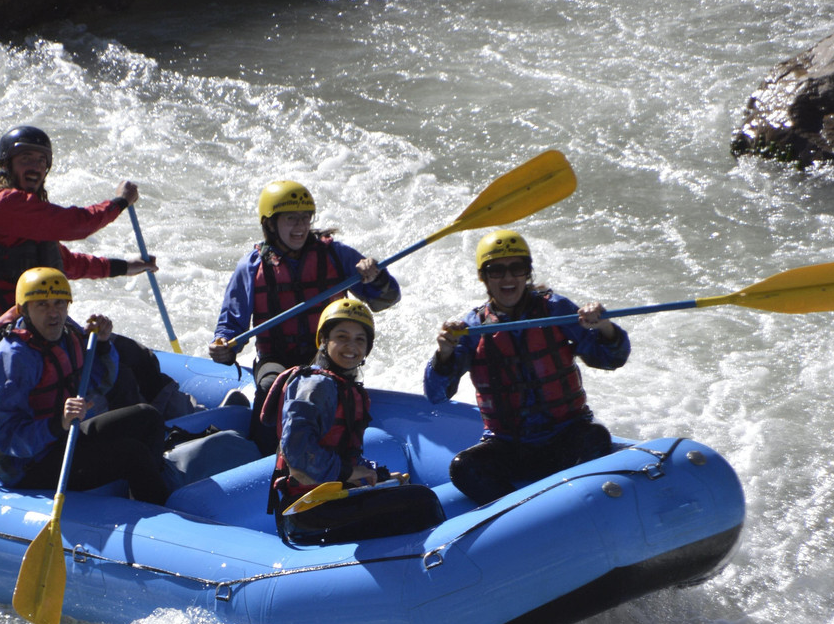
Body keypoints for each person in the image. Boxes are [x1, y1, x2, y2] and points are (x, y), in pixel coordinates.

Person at [0, 124, 202, 420]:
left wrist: (125, 267)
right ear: (6, 165)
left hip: (33, 317)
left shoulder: (26, 217)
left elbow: (65, 262)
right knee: (106, 367)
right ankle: (155, 424)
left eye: (42, 160)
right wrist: (119, 203)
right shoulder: (2, 204)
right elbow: (75, 224)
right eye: (26, 158)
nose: (35, 167)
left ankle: (181, 417)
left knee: (133, 355)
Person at [424, 229, 631, 505]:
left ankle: (578, 503)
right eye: (496, 270)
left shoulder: (555, 309)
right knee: (463, 467)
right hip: (511, 447)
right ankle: (522, 512)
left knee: (596, 436)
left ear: (527, 273)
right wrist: (444, 353)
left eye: (516, 268)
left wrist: (604, 326)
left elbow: (610, 359)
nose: (508, 278)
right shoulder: (472, 328)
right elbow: (436, 394)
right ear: (484, 277)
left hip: (566, 435)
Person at [209, 180, 402, 454]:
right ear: (271, 224)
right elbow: (231, 325)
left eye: (305, 217)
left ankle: (339, 450)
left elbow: (386, 299)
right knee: (272, 385)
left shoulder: (337, 255)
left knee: (324, 384)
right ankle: (266, 453)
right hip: (276, 358)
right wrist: (224, 346)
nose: (300, 226)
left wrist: (376, 277)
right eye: (291, 219)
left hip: (327, 354)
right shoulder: (251, 267)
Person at [0, 267, 168, 505]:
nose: (53, 313)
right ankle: (157, 511)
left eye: (59, 303)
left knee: (148, 417)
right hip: (27, 464)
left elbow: (98, 384)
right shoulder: (9, 360)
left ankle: (148, 489)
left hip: (63, 436)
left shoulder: (67, 337)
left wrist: (103, 345)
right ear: (24, 310)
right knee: (132, 454)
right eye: (42, 305)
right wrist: (59, 424)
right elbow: (7, 438)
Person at [262, 299, 444, 544]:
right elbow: (298, 456)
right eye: (342, 337)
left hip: (329, 501)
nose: (352, 346)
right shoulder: (315, 385)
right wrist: (349, 472)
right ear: (324, 340)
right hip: (305, 512)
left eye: (360, 339)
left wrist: (375, 474)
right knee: (421, 501)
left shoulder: (342, 386)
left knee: (406, 492)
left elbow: (342, 454)